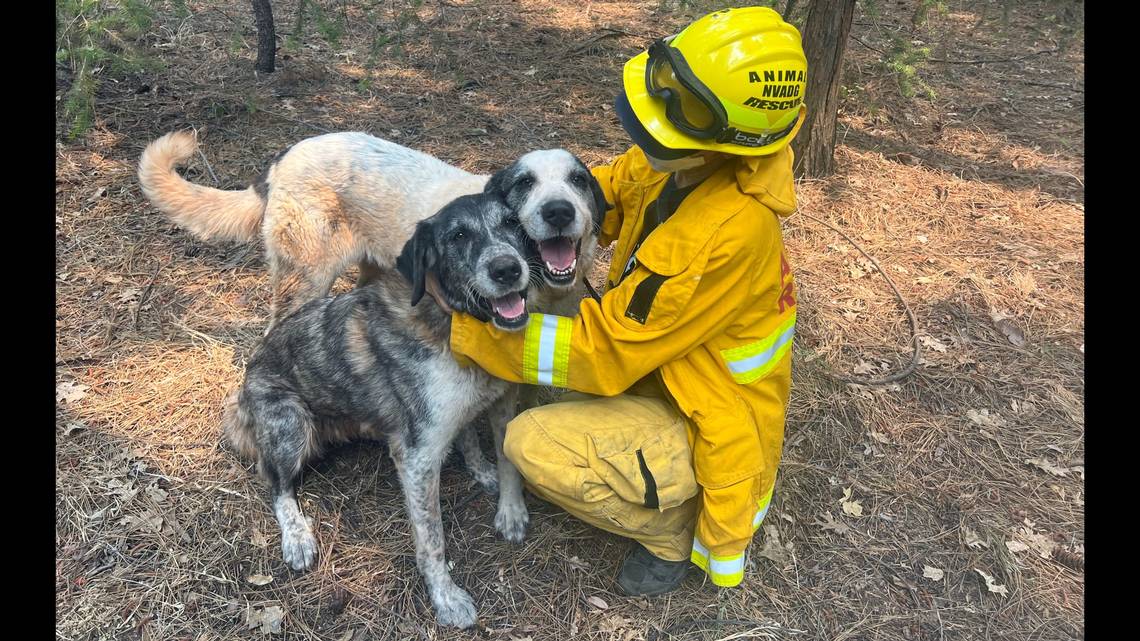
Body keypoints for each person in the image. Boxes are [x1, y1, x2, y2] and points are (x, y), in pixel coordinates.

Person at [449, 6, 807, 595]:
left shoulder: (728, 231)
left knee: (530, 442)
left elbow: (601, 352)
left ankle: (671, 529)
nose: (653, 118)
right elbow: (603, 191)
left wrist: (467, 330)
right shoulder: (678, 161)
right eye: (666, 88)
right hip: (665, 375)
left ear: (733, 136)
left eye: (680, 106)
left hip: (703, 417)